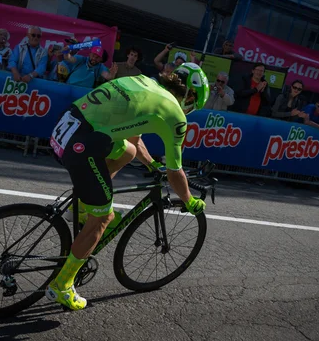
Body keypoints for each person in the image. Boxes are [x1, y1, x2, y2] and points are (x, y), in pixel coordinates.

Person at [47, 62, 210, 311]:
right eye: (192, 103)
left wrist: (151, 164)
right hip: (83, 145)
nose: (189, 108)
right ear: (189, 95)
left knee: (128, 151)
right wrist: (188, 200)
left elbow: (133, 136)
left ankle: (83, 208)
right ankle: (62, 285)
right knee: (104, 217)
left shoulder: (145, 80)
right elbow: (175, 171)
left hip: (65, 127)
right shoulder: (176, 115)